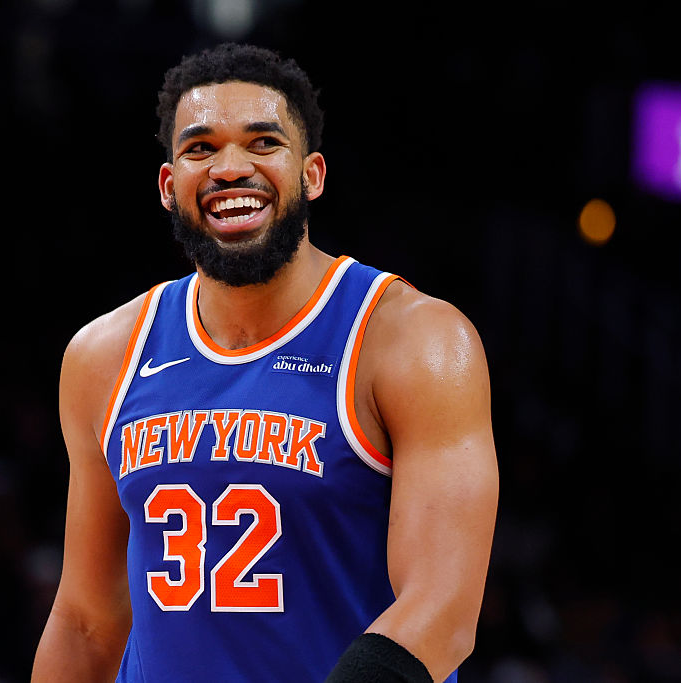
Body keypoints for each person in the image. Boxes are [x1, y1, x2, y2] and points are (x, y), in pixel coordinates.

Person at [31, 42, 498, 683]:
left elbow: (442, 612)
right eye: (200, 148)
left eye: (262, 143)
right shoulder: (104, 355)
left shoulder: (414, 340)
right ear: (169, 186)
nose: (230, 168)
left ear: (312, 175)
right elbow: (86, 622)